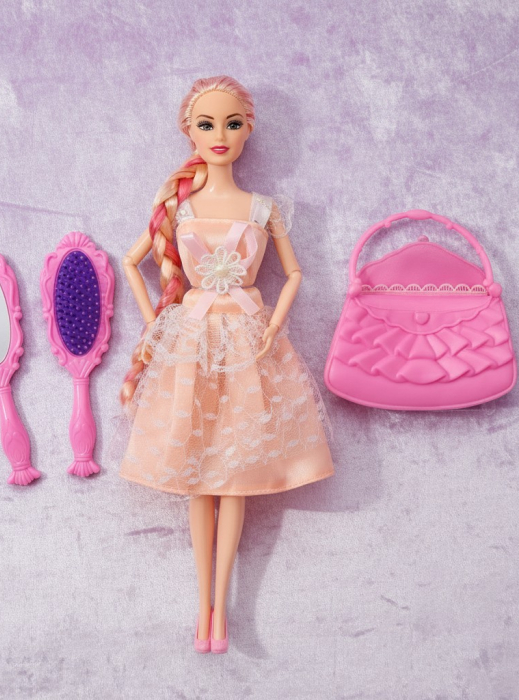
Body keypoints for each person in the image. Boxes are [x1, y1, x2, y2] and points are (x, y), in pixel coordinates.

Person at [117, 75, 334, 653]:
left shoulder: (263, 208)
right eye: (207, 124)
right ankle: (204, 606)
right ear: (188, 131)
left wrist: (274, 323)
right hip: (191, 340)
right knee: (198, 472)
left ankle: (221, 608)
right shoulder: (178, 207)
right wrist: (155, 322)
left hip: (246, 340)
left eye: (232, 123)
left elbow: (294, 273)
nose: (220, 134)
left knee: (233, 469)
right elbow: (131, 260)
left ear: (248, 131)